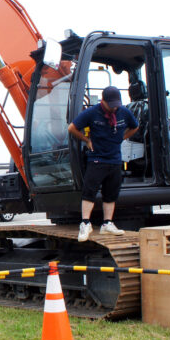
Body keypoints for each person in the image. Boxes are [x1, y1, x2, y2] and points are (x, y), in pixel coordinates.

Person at [68, 85, 139, 240]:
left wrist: (123, 137)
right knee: (89, 191)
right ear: (103, 101)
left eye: (116, 105)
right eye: (110, 105)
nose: (114, 109)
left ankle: (107, 224)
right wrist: (86, 140)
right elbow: (72, 128)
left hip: (114, 159)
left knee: (111, 193)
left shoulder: (123, 112)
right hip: (97, 159)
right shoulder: (92, 113)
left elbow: (135, 126)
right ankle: (85, 223)